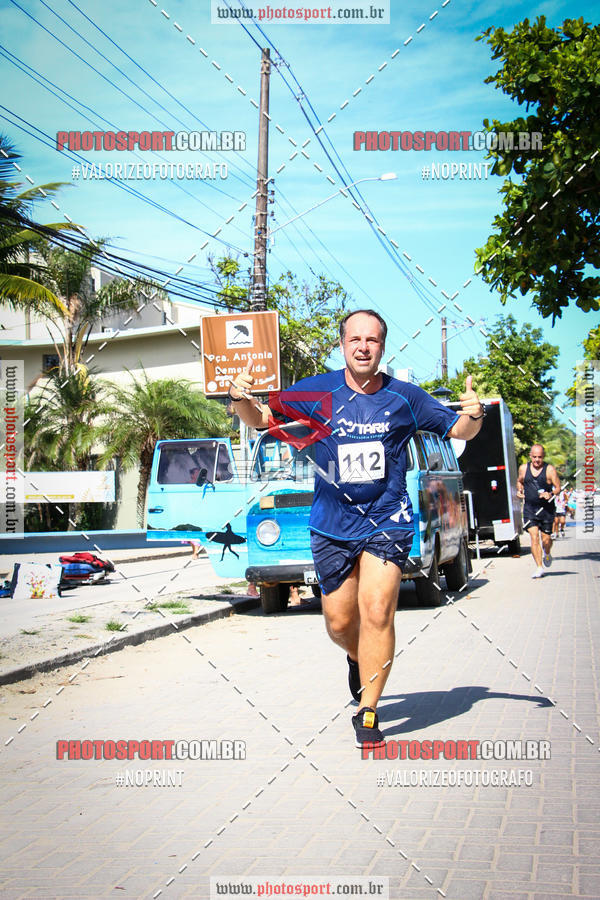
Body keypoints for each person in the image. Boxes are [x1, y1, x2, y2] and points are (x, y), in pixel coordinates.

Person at [228, 309, 484, 748]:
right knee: (340, 621)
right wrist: (240, 400)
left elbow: (459, 428)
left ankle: (369, 712)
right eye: (355, 339)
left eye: (373, 340)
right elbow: (260, 419)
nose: (363, 347)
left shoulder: (405, 398)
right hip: (332, 523)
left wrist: (475, 416)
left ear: (383, 347)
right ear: (342, 344)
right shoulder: (317, 392)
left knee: (379, 610)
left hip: (387, 519)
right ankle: (355, 656)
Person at [517, 444, 561, 578]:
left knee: (546, 540)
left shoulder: (550, 470)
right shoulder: (524, 468)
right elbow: (519, 482)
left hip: (546, 510)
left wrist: (551, 493)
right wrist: (519, 491)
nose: (537, 460)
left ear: (544, 457)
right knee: (534, 537)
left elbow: (558, 487)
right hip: (530, 509)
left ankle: (547, 552)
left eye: (540, 457)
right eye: (534, 457)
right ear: (530, 456)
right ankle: (539, 567)